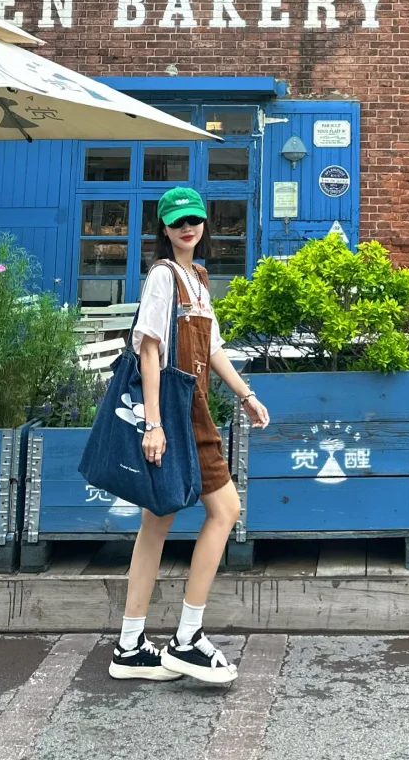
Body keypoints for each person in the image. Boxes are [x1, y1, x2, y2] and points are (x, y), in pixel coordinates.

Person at [109, 185, 269, 684]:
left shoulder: (197, 278)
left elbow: (213, 347)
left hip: (190, 405)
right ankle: (187, 638)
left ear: (204, 224)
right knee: (224, 510)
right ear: (164, 227)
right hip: (176, 412)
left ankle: (130, 646)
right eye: (178, 221)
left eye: (194, 220)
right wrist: (154, 424)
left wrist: (245, 394)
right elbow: (149, 350)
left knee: (157, 522)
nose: (187, 228)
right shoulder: (163, 276)